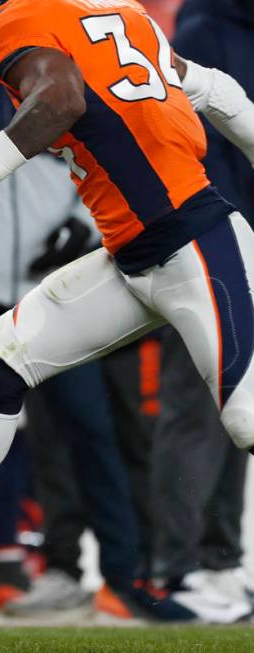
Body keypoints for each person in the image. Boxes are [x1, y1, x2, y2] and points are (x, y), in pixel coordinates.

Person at [0, 0, 254, 624]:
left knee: (247, 420)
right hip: (132, 256)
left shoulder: (20, 20)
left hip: (198, 246)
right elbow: (214, 89)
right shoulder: (119, 13)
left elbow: (61, 102)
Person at [144, 0, 254, 617]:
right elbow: (200, 144)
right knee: (198, 407)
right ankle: (179, 569)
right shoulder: (206, 28)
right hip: (207, 238)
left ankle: (221, 562)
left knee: (241, 404)